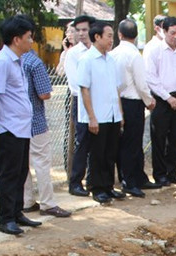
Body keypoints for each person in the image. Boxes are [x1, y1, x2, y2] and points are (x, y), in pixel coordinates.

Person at [0, 15, 39, 236]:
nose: (31, 41)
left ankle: (16, 212)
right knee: (8, 174)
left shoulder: (19, 60)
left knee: (20, 172)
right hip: (9, 127)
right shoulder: (2, 62)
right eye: (29, 37)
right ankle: (5, 218)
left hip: (22, 126)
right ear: (17, 39)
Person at [78, 20, 124, 205]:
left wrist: (120, 114)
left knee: (110, 152)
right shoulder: (87, 60)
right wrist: (92, 117)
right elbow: (85, 89)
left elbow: (116, 89)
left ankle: (108, 186)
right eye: (109, 36)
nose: (111, 40)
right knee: (97, 153)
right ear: (97, 37)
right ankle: (96, 188)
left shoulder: (111, 59)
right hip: (98, 115)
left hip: (113, 114)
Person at [22, 44, 69, 218]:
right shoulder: (34, 62)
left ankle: (26, 201)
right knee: (41, 162)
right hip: (36, 120)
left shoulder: (10, 61)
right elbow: (44, 94)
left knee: (23, 163)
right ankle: (47, 203)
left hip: (17, 122)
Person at [111, 19, 156, 198]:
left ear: (119, 34)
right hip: (132, 102)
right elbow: (141, 83)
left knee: (127, 142)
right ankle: (129, 181)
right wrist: (149, 101)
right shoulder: (134, 55)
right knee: (132, 143)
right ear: (136, 36)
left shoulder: (113, 53)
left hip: (118, 100)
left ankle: (137, 177)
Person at [145, 16, 176, 186]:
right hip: (161, 100)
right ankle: (160, 174)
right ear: (164, 31)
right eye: (172, 33)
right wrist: (168, 98)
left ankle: (172, 172)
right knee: (159, 138)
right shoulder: (155, 52)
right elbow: (151, 78)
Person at [63, 14, 94, 196]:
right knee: (82, 143)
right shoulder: (73, 54)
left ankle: (93, 181)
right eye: (78, 30)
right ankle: (75, 182)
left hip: (99, 104)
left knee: (98, 145)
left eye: (85, 30)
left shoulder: (99, 52)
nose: (81, 34)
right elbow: (75, 84)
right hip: (81, 103)